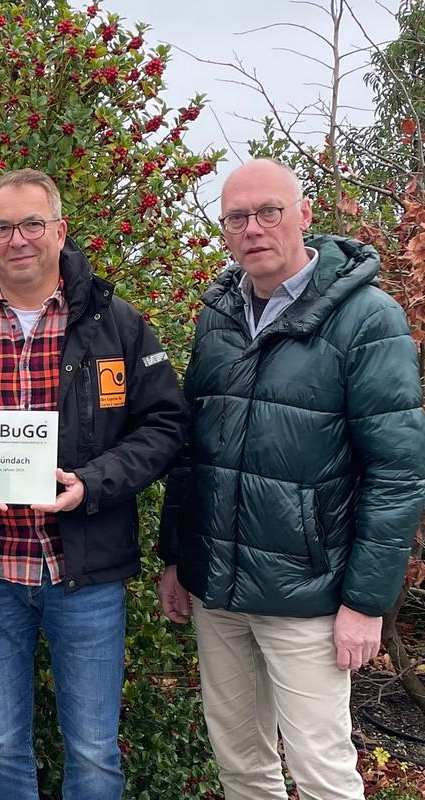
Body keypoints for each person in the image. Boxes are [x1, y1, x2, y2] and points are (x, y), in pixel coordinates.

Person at [0, 169, 186, 799]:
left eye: (32, 224)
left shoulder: (115, 322)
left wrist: (93, 482)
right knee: (0, 743)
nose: (18, 239)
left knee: (92, 751)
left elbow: (165, 424)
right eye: (2, 228)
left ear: (60, 231)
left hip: (84, 571)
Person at [157, 158, 425, 799]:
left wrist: (365, 602)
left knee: (322, 772)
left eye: (268, 211)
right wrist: (176, 556)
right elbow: (192, 451)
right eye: (237, 217)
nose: (253, 228)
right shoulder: (219, 316)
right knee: (241, 766)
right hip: (217, 589)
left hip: (309, 593)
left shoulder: (367, 319)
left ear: (303, 214)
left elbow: (397, 472)